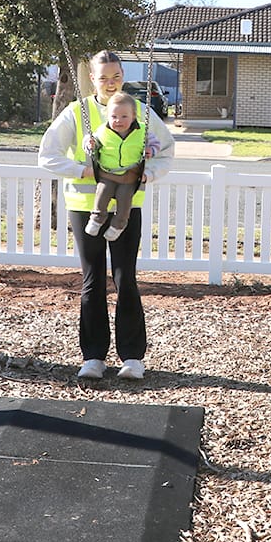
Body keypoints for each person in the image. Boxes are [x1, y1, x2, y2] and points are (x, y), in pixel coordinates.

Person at [39, 50, 175, 381]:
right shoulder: (78, 112)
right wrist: (82, 170)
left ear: (123, 76)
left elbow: (166, 149)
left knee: (125, 276)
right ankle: (93, 356)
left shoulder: (140, 111)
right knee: (93, 279)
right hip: (86, 208)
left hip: (127, 207)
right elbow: (48, 155)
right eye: (103, 78)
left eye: (116, 77)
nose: (110, 84)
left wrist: (149, 173)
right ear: (93, 80)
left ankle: (132, 356)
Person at [84, 91, 146, 242]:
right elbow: (91, 143)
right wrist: (90, 145)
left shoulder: (142, 131)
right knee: (102, 193)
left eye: (124, 116)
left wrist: (151, 150)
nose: (118, 120)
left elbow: (155, 143)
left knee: (125, 201)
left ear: (134, 116)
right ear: (108, 117)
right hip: (108, 174)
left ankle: (118, 226)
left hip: (130, 176)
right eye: (114, 117)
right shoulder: (102, 131)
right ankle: (97, 219)